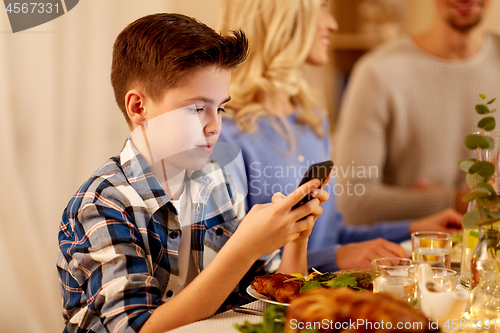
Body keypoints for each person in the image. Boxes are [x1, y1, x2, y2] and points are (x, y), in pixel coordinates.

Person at [56, 13, 330, 333]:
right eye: (198, 109)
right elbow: (135, 328)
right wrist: (243, 249)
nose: (214, 126)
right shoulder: (104, 204)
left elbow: (269, 299)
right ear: (138, 108)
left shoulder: (218, 182)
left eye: (220, 108)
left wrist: (296, 236)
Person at [215, 0, 463, 273]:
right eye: (321, 7)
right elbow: (229, 269)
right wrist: (336, 257)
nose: (332, 24)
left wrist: (414, 228)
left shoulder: (310, 120)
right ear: (282, 16)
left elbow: (331, 237)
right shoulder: (224, 132)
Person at [334, 0, 500, 226]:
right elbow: (352, 202)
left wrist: (426, 200)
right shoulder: (377, 73)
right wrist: (460, 201)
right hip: (413, 257)